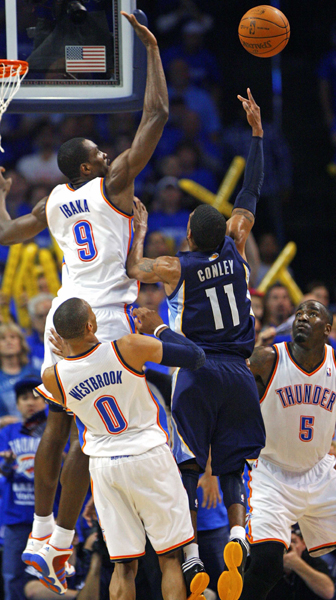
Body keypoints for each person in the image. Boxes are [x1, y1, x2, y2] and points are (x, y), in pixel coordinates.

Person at [0, 11, 169, 594]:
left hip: (61, 315)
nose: (107, 156)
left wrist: (0, 201)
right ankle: (65, 543)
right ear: (90, 167)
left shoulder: (52, 201)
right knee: (97, 436)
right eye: (100, 154)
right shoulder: (112, 185)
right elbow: (157, 116)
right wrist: (150, 51)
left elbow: (3, 233)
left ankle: (43, 537)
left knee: (59, 422)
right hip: (102, 320)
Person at [126, 88, 266, 600]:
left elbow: (131, 270)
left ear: (187, 232)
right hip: (240, 374)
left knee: (183, 467)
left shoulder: (175, 268)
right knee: (232, 465)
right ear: (225, 231)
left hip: (197, 371)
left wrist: (139, 229)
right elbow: (250, 194)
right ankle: (235, 533)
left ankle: (187, 558)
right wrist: (256, 134)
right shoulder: (238, 243)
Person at [35, 298, 206, 600]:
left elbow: (85, 379)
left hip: (103, 468)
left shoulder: (53, 377)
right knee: (169, 559)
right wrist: (159, 328)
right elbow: (195, 356)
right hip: (148, 456)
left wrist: (69, 356)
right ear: (91, 325)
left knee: (123, 567)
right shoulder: (128, 347)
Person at [239, 297, 336, 600]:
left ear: (327, 328)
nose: (302, 317)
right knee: (266, 565)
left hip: (320, 475)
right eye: (299, 312)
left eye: (311, 314)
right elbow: (225, 388)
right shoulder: (267, 359)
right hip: (272, 476)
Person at [0, 376, 45, 600]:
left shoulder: (55, 431)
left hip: (48, 517)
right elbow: (4, 472)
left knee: (49, 577)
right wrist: (6, 463)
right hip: (16, 518)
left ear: (47, 401)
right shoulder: (7, 433)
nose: (30, 402)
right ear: (16, 405)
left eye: (36, 397)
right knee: (13, 576)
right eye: (24, 398)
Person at [266, 526, 335, 600]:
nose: (288, 547)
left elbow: (329, 593)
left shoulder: (312, 559)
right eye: (283, 543)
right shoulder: (266, 562)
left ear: (303, 544)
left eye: (293, 542)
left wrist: (297, 564)